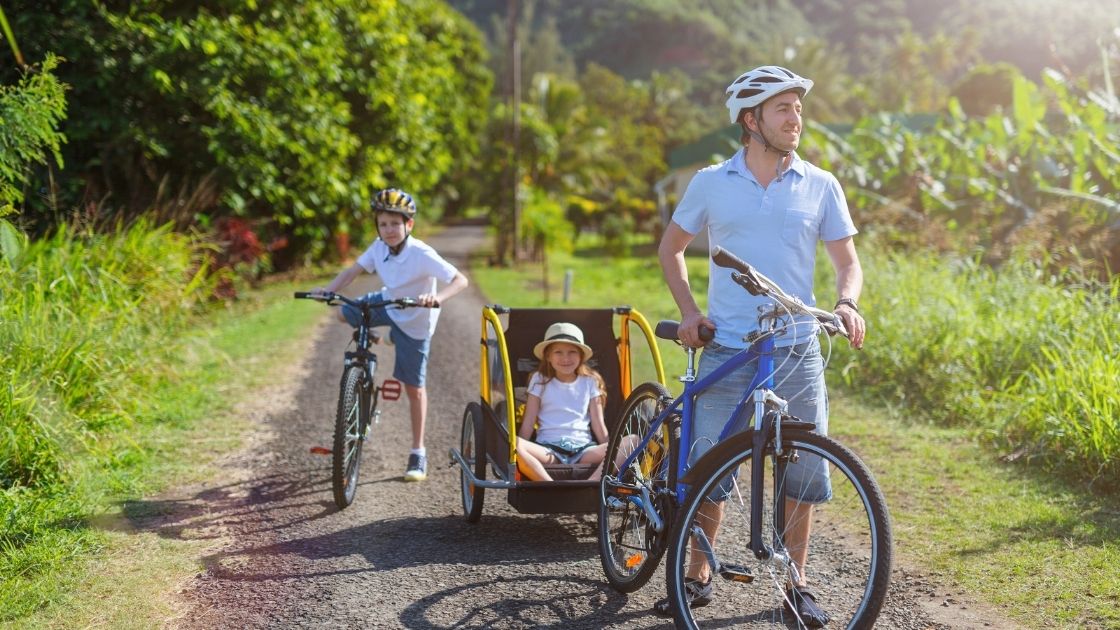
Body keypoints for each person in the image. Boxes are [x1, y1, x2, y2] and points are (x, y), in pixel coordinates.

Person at [655, 65, 866, 626]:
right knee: (707, 469)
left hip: (798, 348)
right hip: (728, 346)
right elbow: (670, 248)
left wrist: (846, 303)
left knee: (803, 472)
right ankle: (698, 570)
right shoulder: (710, 182)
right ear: (751, 120)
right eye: (783, 109)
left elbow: (847, 261)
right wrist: (690, 313)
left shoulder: (822, 184)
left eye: (798, 108)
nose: (795, 118)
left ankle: (795, 583)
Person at [314, 188, 469, 482]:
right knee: (342, 311)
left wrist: (438, 298)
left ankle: (418, 452)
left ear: (408, 225)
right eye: (383, 224)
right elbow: (352, 272)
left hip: (415, 321)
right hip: (388, 304)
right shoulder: (378, 248)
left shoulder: (421, 253)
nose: (389, 230)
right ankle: (375, 337)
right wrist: (329, 290)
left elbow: (461, 280)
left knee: (414, 388)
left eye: (395, 224)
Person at [516, 322, 610, 482]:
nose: (565, 358)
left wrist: (611, 449)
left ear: (580, 355)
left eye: (572, 352)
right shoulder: (539, 380)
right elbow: (529, 421)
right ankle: (548, 484)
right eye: (558, 352)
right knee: (514, 443)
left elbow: (599, 425)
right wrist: (518, 450)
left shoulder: (590, 381)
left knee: (633, 442)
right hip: (549, 450)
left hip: (584, 450)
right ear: (548, 356)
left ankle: (593, 483)